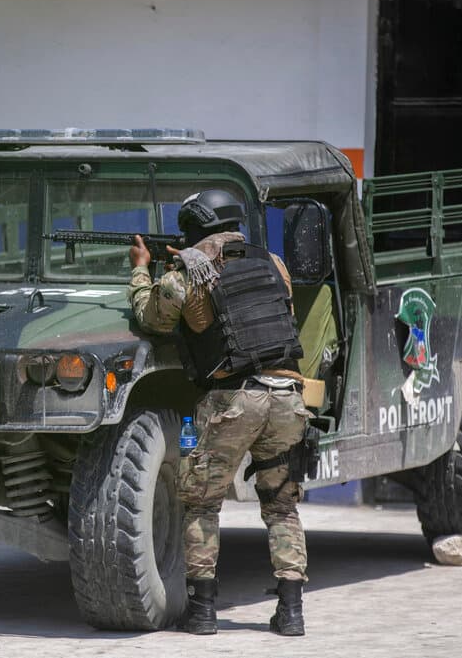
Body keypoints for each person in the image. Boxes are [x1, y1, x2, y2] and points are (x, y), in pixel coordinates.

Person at [127, 189, 310, 637]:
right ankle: (291, 614)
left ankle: (204, 612)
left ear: (194, 228)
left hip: (235, 398)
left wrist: (139, 268)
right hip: (288, 394)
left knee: (202, 504)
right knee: (282, 506)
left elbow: (151, 316)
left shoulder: (187, 272)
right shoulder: (274, 263)